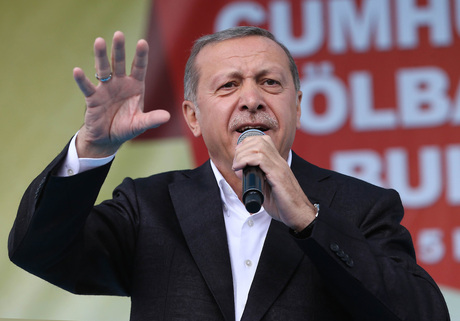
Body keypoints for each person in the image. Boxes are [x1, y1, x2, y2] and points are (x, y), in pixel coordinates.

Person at [8, 26, 450, 321]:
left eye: (270, 83)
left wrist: (308, 220)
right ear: (193, 117)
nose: (252, 99)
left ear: (296, 106)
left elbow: (422, 314)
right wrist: (91, 150)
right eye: (228, 85)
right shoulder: (149, 208)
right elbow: (38, 250)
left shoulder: (361, 207)